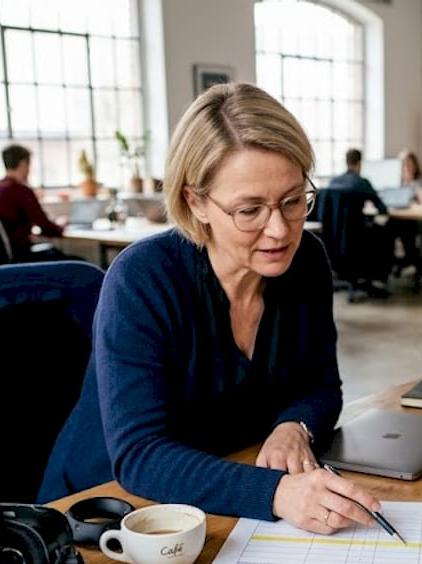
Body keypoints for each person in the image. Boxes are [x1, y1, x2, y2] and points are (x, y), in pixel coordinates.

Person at [41, 83, 383, 534]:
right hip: (108, 515)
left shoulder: (307, 262)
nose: (280, 229)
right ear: (195, 201)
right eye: (249, 210)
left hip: (220, 496)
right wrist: (276, 493)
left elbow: (322, 386)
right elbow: (140, 455)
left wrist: (293, 426)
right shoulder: (142, 280)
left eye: (293, 200)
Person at [324, 148, 391, 298]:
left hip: (334, 242)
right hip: (355, 241)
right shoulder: (361, 182)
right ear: (360, 163)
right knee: (386, 232)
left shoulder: (333, 182)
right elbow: (382, 208)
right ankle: (379, 278)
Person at [0, 143, 65, 262]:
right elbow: (44, 225)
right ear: (23, 164)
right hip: (21, 255)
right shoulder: (21, 191)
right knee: (80, 263)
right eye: (29, 165)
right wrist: (60, 227)